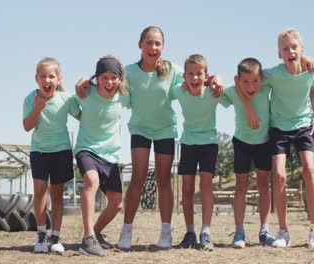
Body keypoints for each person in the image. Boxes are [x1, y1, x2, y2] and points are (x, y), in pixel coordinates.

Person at [75, 26, 223, 250]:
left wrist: (217, 78)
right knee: (138, 178)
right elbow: (108, 83)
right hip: (140, 131)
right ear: (140, 45)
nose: (153, 47)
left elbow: (196, 80)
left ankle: (166, 234)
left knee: (164, 180)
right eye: (149, 43)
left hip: (165, 130)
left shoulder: (172, 70)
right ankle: (126, 232)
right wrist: (85, 80)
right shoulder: (130, 72)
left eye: (158, 44)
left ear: (162, 47)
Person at [242, 29, 314, 250]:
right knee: (278, 175)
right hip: (279, 127)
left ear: (302, 50)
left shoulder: (310, 69)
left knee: (309, 169)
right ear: (279, 54)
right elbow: (248, 76)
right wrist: (248, 107)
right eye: (285, 48)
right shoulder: (273, 74)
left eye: (294, 47)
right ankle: (283, 230)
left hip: (303, 126)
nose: (291, 51)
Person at [23, 57, 81, 253]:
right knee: (40, 192)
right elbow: (27, 126)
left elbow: (83, 116)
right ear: (36, 79)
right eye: (43, 76)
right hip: (39, 151)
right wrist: (38, 108)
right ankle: (41, 234)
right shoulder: (31, 99)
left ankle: (55, 236)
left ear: (59, 79)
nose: (47, 80)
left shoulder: (66, 99)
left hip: (62, 151)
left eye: (51, 76)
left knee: (57, 194)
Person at [73, 56, 130, 256]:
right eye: (104, 77)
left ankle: (95, 233)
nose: (109, 82)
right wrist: (79, 83)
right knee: (91, 180)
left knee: (116, 203)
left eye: (114, 77)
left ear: (120, 79)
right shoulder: (86, 93)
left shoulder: (124, 96)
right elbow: (71, 104)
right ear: (97, 78)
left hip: (110, 155)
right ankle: (88, 239)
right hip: (86, 149)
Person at [171, 54, 227, 251]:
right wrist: (182, 82)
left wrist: (217, 78)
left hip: (208, 144)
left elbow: (231, 97)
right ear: (185, 76)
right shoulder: (179, 92)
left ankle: (205, 232)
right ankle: (189, 232)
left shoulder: (214, 93)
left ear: (206, 76)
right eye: (190, 74)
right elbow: (171, 82)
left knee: (205, 187)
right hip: (187, 144)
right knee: (186, 189)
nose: (195, 78)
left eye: (199, 74)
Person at [221, 58, 275, 248]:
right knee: (241, 186)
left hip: (264, 142)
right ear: (238, 80)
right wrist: (216, 80)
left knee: (263, 185)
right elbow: (217, 92)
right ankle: (239, 232)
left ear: (262, 78)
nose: (251, 86)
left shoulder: (267, 87)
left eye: (255, 81)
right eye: (245, 81)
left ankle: (265, 229)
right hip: (242, 142)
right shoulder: (233, 90)